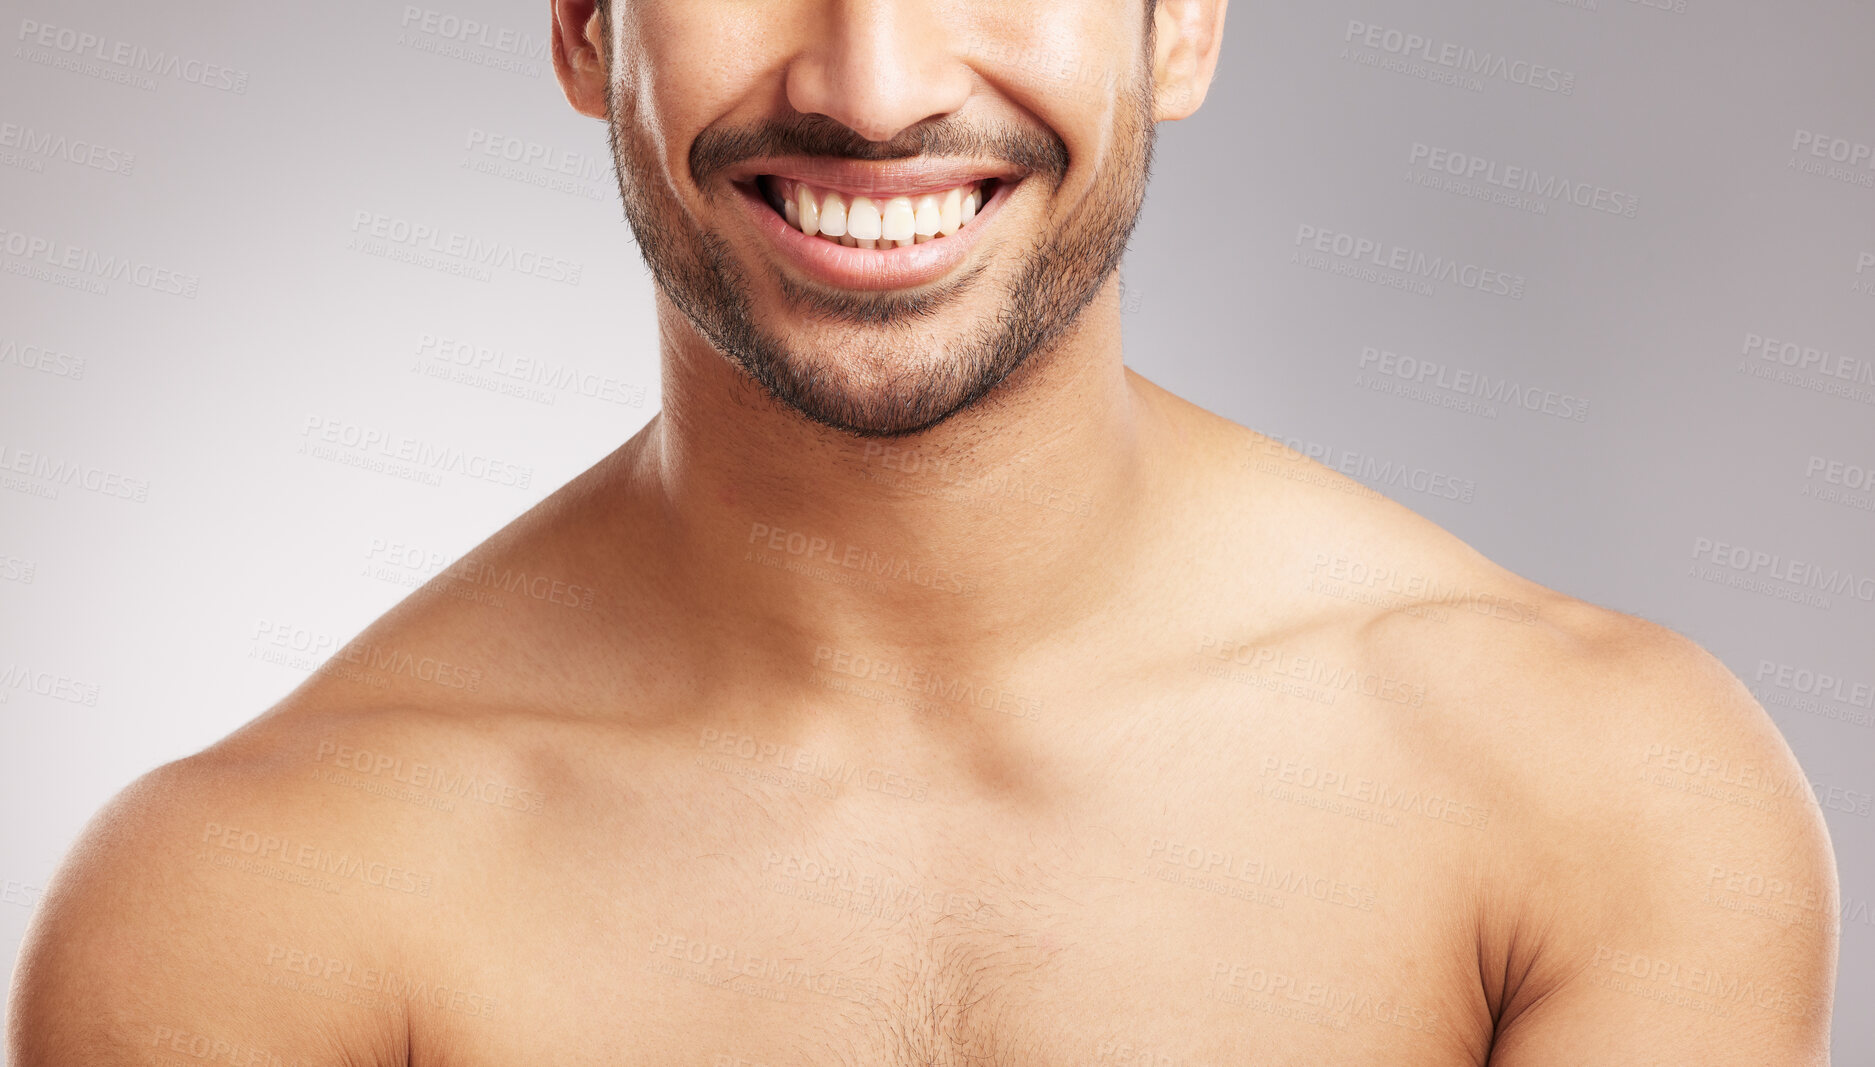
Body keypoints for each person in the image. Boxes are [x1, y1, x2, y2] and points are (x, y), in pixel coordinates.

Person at [9, 0, 1838, 1063]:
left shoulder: (1597, 796)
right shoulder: (238, 915)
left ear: (1180, 17)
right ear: (583, 23)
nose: (872, 89)